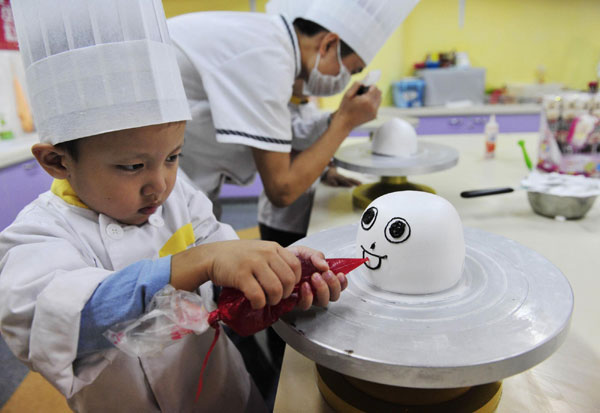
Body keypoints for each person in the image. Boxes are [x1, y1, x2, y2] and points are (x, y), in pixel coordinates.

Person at [0, 1, 346, 412]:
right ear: (57, 161)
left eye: (173, 156)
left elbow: (226, 273)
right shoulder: (36, 237)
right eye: (132, 166)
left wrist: (281, 272)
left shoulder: (178, 194)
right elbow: (64, 320)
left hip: (225, 394)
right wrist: (196, 262)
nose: (160, 185)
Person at [167, 0, 420, 216]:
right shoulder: (269, 59)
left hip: (184, 184)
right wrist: (345, 122)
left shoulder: (272, 44)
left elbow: (287, 135)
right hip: (157, 190)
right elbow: (282, 189)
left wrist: (339, 119)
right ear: (328, 44)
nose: (345, 80)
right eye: (350, 70)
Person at [258, 78, 361, 247]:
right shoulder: (278, 111)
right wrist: (344, 118)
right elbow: (302, 136)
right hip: (280, 222)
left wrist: (327, 171)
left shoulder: (308, 106)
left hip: (304, 213)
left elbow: (317, 147)